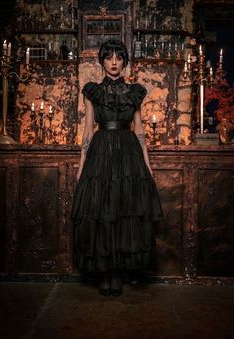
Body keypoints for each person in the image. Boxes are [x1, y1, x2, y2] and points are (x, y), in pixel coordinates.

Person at [70, 39, 163, 296]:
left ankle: (119, 273)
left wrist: (147, 164)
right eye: (109, 57)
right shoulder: (92, 91)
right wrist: (81, 167)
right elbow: (88, 131)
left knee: (125, 208)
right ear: (102, 61)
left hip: (128, 153)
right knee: (103, 210)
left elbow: (140, 129)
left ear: (124, 62)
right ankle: (107, 273)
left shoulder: (133, 92)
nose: (114, 62)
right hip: (101, 152)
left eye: (118, 58)